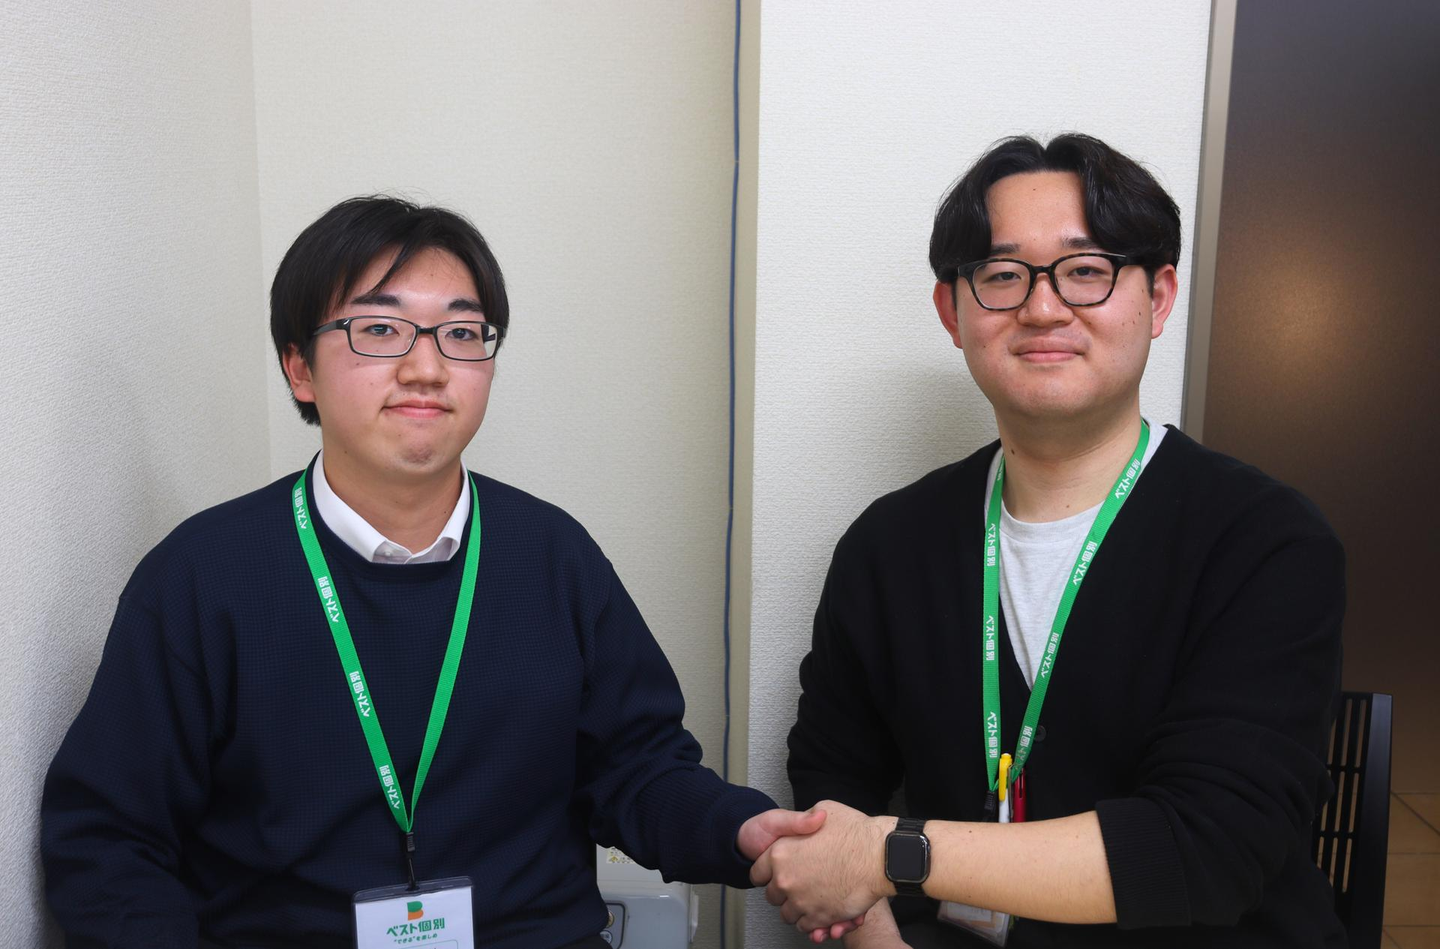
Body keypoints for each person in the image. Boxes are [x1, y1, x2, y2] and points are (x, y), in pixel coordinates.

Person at [41, 196, 834, 949]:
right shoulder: (201, 577)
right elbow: (108, 840)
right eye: (380, 329)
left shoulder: (554, 557)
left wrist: (743, 829)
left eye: (460, 333)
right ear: (299, 368)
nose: (427, 366)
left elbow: (638, 768)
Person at [761, 135, 1346, 948]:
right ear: (953, 312)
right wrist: (878, 937)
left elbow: (1205, 848)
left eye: (1086, 269)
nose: (1043, 308)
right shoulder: (887, 546)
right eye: (1003, 275)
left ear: (1159, 297)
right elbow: (832, 785)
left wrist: (894, 853)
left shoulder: (1265, 542)